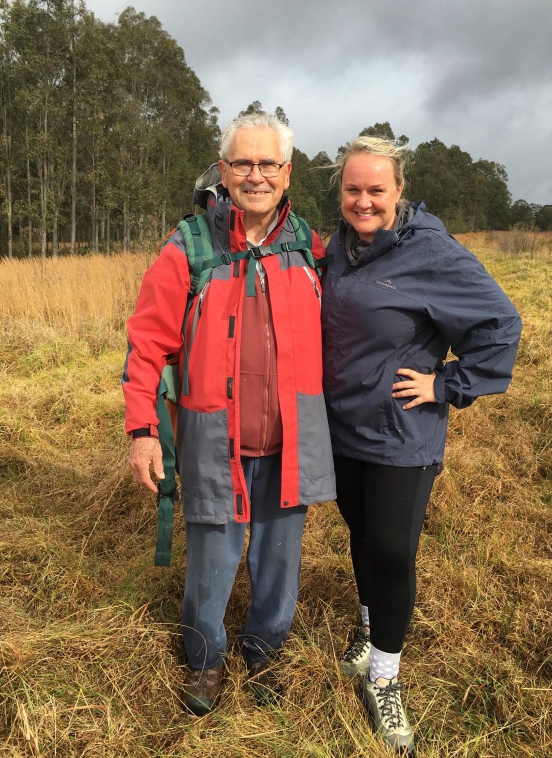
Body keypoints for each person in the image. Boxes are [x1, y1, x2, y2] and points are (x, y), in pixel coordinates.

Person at [122, 113, 335, 715]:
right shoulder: (188, 246)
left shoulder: (312, 248)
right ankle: (205, 659)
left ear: (287, 173)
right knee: (211, 561)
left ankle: (265, 654)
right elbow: (147, 344)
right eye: (243, 163)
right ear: (224, 171)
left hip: (292, 436)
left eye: (269, 164)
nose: (256, 175)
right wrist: (143, 431)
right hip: (214, 439)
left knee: (280, 560)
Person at [321, 136, 522, 753]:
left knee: (390, 546)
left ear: (399, 191)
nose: (363, 201)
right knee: (359, 532)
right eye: (353, 189)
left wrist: (446, 383)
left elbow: (500, 324)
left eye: (376, 190)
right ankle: (367, 627)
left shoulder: (431, 251)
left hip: (402, 433)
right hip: (343, 425)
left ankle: (384, 676)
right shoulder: (338, 247)